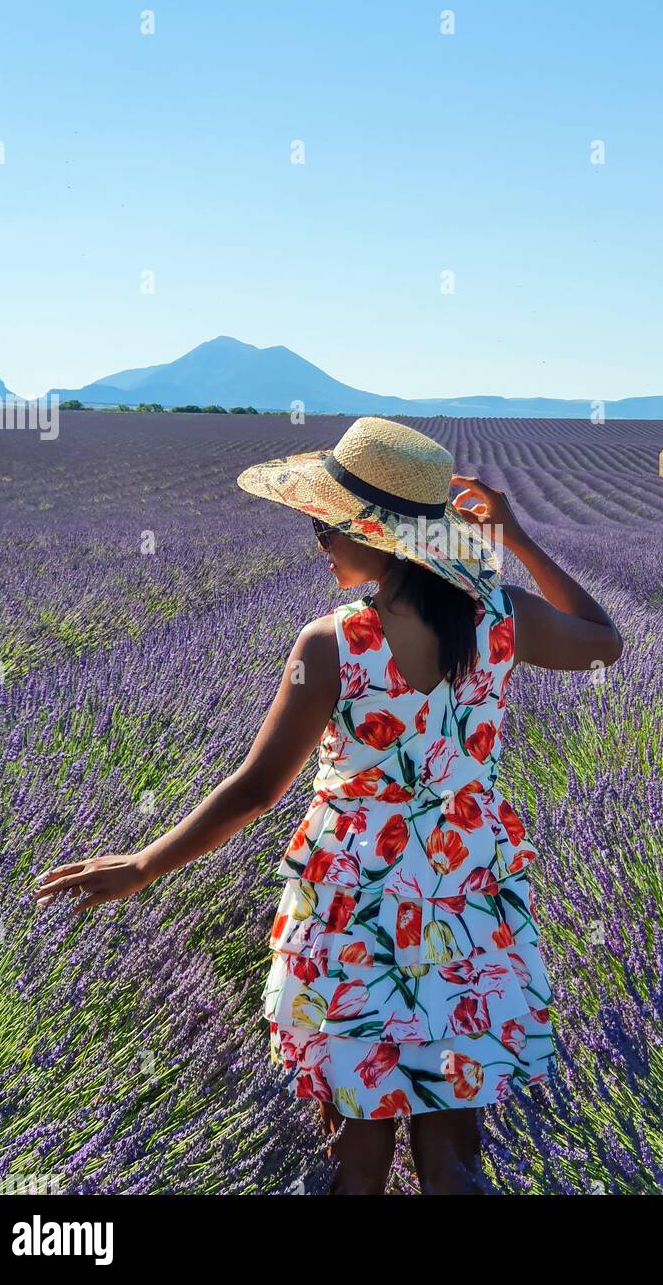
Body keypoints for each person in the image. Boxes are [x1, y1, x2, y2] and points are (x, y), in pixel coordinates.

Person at [33, 417, 623, 1195]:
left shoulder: (334, 642)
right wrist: (513, 537)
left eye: (326, 527)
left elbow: (255, 788)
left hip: (352, 901)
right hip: (464, 898)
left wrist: (143, 864)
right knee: (453, 1157)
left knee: (353, 1153)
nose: (319, 543)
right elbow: (603, 640)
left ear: (374, 535)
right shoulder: (500, 617)